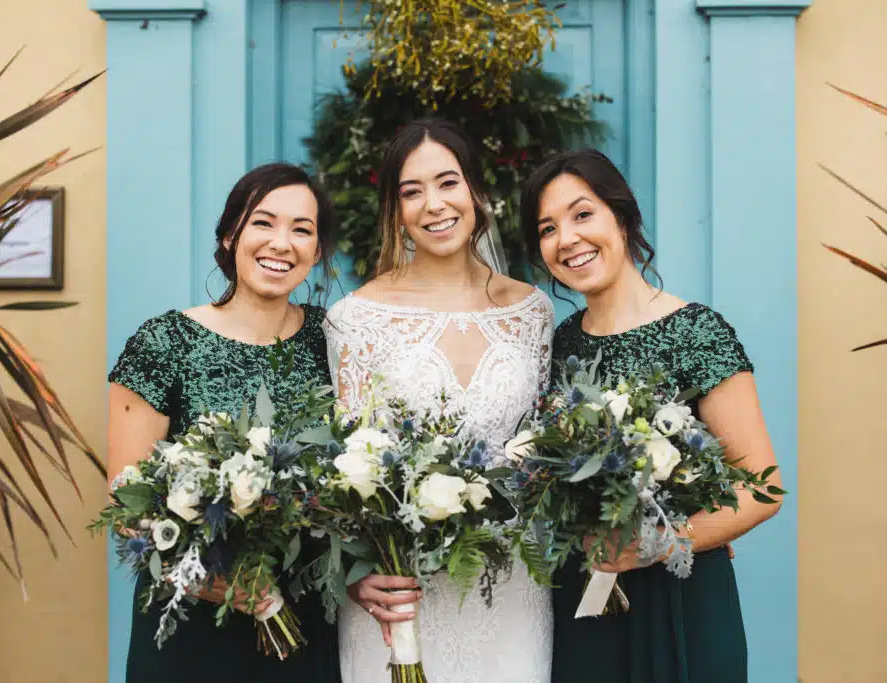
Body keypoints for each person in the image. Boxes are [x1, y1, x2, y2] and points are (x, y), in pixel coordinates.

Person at [520, 149, 783, 683]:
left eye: (582, 214)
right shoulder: (560, 344)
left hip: (679, 598)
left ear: (622, 215)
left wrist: (657, 543)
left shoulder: (695, 331)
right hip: (586, 598)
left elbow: (763, 489)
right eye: (547, 228)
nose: (566, 238)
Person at [325, 118, 555, 683]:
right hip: (400, 596)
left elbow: (550, 451)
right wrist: (355, 575)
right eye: (411, 191)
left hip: (514, 581)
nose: (434, 204)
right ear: (395, 211)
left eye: (447, 182)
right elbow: (344, 470)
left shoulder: (533, 311)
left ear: (476, 192)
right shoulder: (355, 319)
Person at [107, 163, 341, 682]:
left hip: (306, 619)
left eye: (302, 229)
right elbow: (127, 506)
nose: (282, 243)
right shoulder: (164, 344)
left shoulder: (334, 342)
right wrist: (233, 587)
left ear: (318, 250)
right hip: (190, 626)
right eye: (263, 222)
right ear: (230, 233)